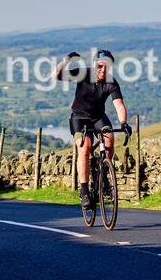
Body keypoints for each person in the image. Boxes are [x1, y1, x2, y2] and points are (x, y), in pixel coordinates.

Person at [55, 49, 131, 209]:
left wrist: (123, 122)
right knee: (85, 147)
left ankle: (102, 174)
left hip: (97, 117)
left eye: (107, 67)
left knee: (109, 141)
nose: (103, 70)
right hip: (79, 117)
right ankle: (84, 192)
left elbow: (119, 104)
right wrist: (65, 61)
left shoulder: (111, 82)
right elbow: (58, 76)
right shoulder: (83, 73)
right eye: (100, 66)